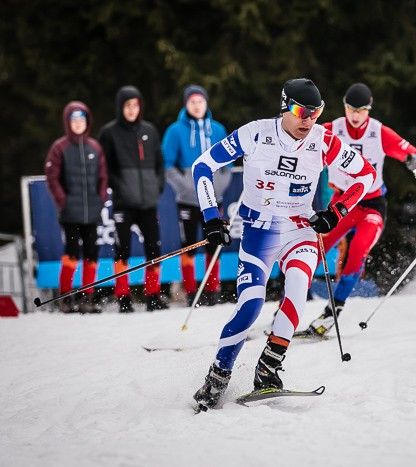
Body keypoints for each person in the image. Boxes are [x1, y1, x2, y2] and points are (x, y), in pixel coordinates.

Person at [191, 78, 376, 410]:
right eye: (302, 112)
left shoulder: (323, 140)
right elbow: (202, 166)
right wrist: (211, 217)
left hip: (300, 230)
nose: (309, 120)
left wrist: (336, 212)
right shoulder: (255, 133)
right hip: (259, 231)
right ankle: (218, 375)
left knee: (297, 289)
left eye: (316, 112)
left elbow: (366, 175)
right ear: (284, 107)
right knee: (251, 305)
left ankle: (268, 369)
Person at [300, 82, 416, 337]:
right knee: (315, 248)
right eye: (351, 109)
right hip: (342, 202)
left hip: (372, 205)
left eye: (361, 110)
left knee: (358, 249)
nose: (355, 115)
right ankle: (287, 306)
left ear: (368, 110)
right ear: (344, 107)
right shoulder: (332, 129)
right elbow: (301, 141)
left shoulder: (378, 132)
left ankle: (332, 312)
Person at [98, 85, 168, 312]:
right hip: (123, 203)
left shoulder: (150, 130)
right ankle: (123, 297)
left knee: (154, 248)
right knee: (122, 250)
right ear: (120, 107)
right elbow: (104, 167)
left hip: (148, 202)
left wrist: (156, 186)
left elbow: (160, 163)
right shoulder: (109, 133)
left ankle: (153, 295)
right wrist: (118, 187)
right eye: (127, 105)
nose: (131, 109)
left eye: (135, 105)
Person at [162, 84, 230, 306]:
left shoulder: (217, 129)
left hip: (214, 200)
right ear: (186, 104)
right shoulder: (175, 131)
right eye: (193, 102)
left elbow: (228, 165)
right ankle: (191, 290)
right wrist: (186, 186)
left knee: (214, 243)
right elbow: (167, 164)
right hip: (188, 200)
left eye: (201, 101)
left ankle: (212, 289)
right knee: (189, 244)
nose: (197, 106)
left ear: (206, 103)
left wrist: (218, 187)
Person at [45, 101, 108, 313]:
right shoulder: (59, 147)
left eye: (82, 119)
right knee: (71, 252)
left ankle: (87, 297)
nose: (78, 123)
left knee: (92, 253)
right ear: (67, 122)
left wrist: (100, 200)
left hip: (92, 212)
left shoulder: (95, 147)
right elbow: (52, 178)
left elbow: (103, 177)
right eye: (74, 119)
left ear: (87, 121)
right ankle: (66, 297)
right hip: (70, 213)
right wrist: (63, 201)